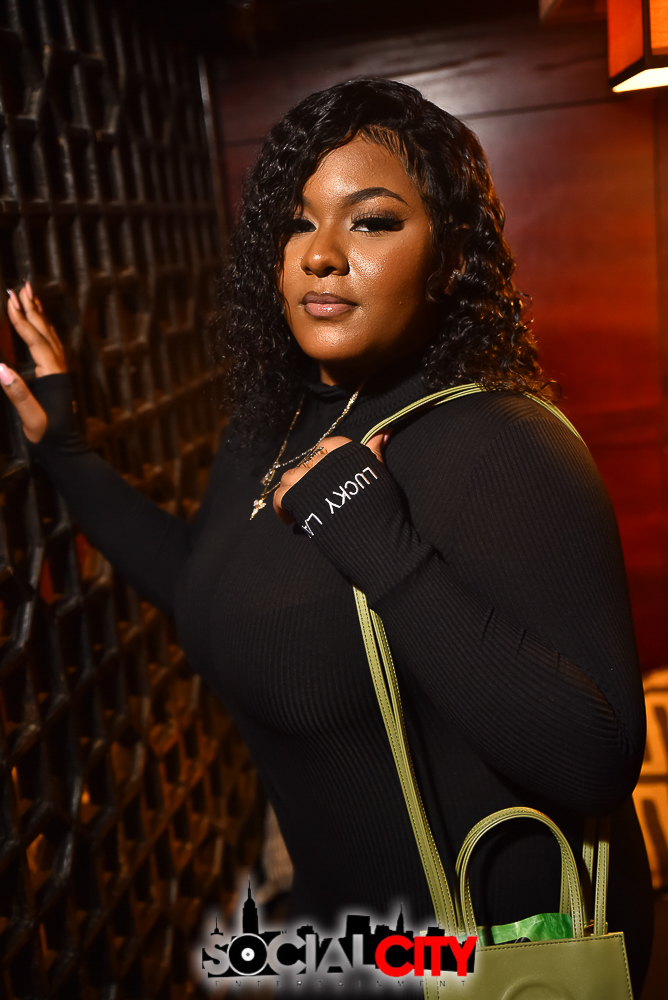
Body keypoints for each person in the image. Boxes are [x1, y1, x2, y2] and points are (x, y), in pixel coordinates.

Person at [1, 79, 653, 995]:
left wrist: (377, 543)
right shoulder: (274, 422)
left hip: (478, 963)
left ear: (449, 256)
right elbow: (206, 587)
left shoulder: (502, 443)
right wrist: (68, 455)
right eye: (298, 223)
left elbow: (595, 759)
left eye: (372, 221)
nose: (321, 255)